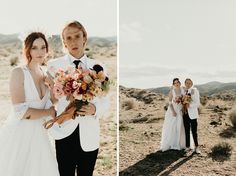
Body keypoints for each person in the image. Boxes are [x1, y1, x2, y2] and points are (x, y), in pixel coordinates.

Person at [47, 21, 109, 176]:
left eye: (77, 36)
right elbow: (49, 99)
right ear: (64, 42)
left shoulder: (98, 67)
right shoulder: (54, 66)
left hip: (89, 135)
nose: (73, 41)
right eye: (69, 38)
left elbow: (106, 100)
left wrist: (95, 109)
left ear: (84, 38)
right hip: (64, 132)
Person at [0, 32, 59, 176]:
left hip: (40, 135)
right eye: (34, 47)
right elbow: (21, 112)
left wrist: (53, 86)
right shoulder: (18, 73)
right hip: (20, 135)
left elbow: (53, 101)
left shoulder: (46, 73)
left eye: (43, 47)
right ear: (27, 49)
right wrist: (49, 112)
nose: (40, 52)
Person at [160, 78, 186, 151]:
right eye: (175, 83)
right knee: (173, 126)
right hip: (173, 110)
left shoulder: (183, 89)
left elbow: (186, 98)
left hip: (181, 109)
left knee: (181, 125)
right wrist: (173, 111)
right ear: (173, 84)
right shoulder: (172, 91)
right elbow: (170, 103)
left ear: (180, 83)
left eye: (178, 82)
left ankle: (181, 143)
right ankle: (173, 142)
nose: (177, 84)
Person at [183, 78, 201, 154]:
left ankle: (196, 147)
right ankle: (187, 147)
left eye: (189, 83)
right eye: (186, 83)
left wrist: (188, 105)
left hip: (192, 114)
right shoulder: (184, 91)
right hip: (185, 114)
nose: (188, 84)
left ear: (192, 83)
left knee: (194, 131)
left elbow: (197, 103)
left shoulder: (194, 90)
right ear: (185, 84)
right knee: (186, 131)